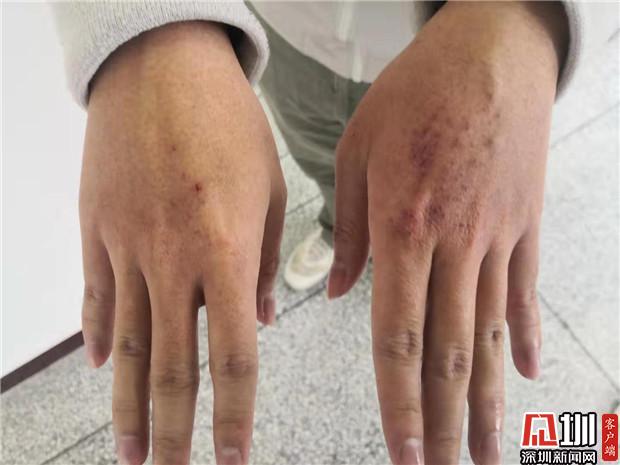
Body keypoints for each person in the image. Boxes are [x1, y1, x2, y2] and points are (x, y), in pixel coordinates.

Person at [51, 2, 617, 465]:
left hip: (458, 37)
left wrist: (525, 17)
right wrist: (151, 25)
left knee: (434, 207)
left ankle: (382, 238)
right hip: (290, 30)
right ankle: (337, 225)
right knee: (318, 150)